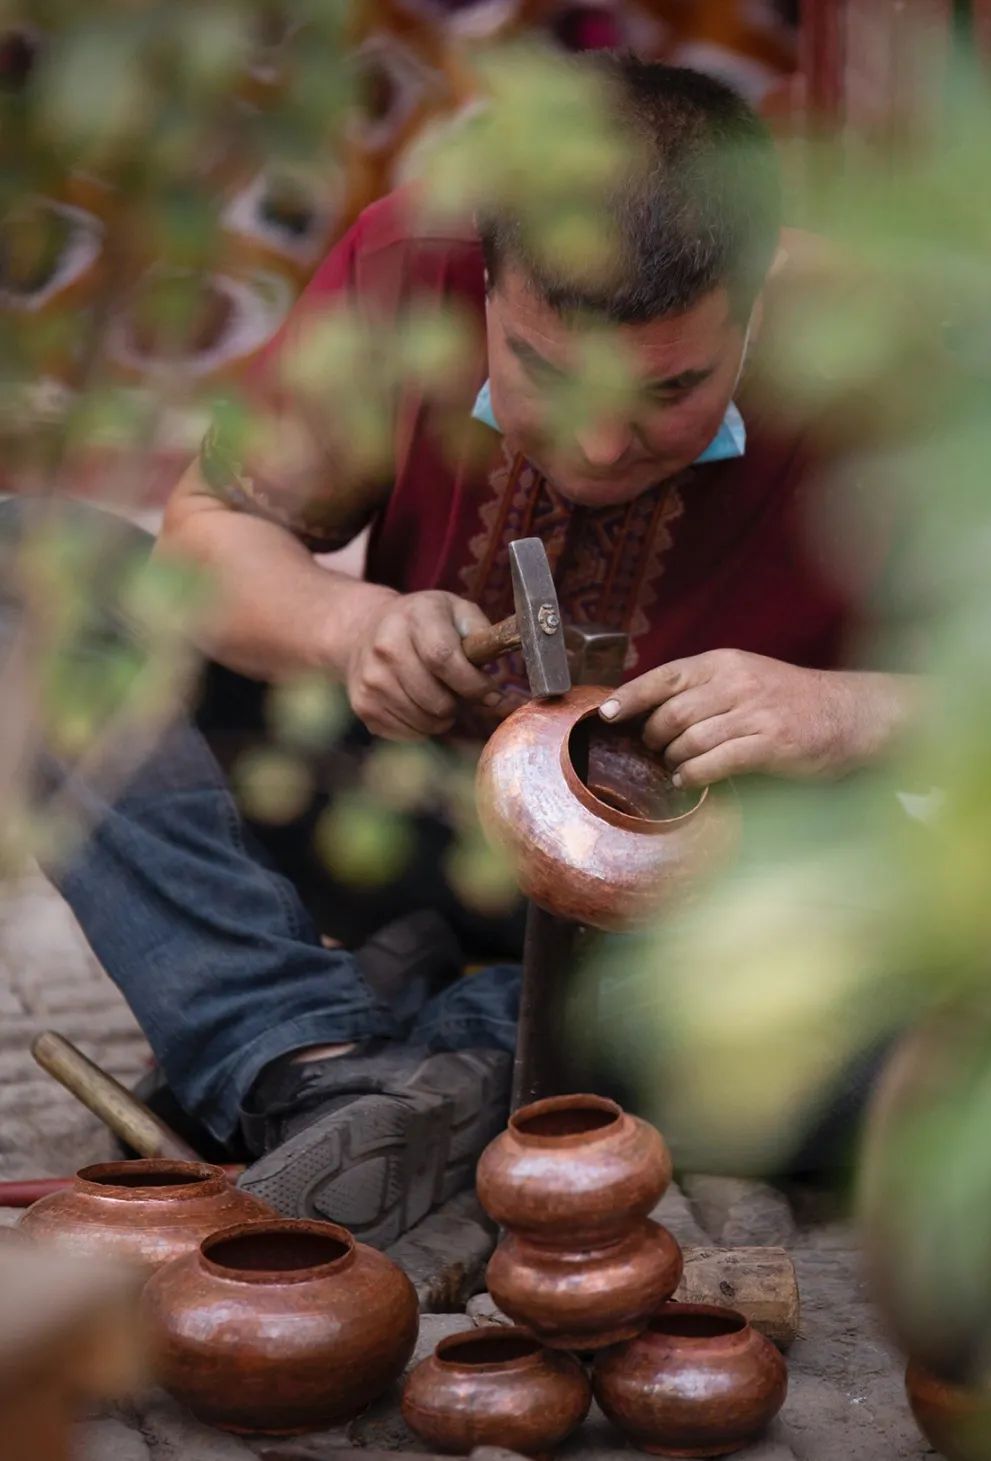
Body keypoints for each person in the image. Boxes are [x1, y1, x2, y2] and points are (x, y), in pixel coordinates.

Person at [4, 54, 916, 1243]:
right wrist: (354, 628)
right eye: (541, 370)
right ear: (483, 284)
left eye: (670, 388)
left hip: (698, 908)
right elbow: (211, 533)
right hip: (391, 804)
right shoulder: (406, 268)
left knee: (915, 1066)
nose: (594, 445)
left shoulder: (887, 352)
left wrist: (836, 712)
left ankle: (460, 1050)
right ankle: (305, 1054)